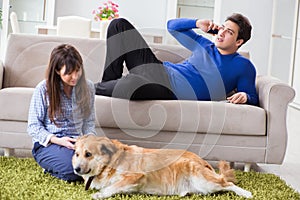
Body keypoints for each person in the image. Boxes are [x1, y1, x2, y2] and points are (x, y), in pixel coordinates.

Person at [95, 13, 258, 105]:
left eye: (229, 32)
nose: (221, 33)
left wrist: (245, 97)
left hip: (166, 89)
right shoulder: (204, 45)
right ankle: (106, 88)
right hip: (156, 68)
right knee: (119, 25)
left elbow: (252, 97)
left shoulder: (243, 66)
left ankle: (91, 89)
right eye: (222, 28)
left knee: (130, 85)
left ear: (239, 42)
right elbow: (172, 26)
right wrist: (197, 23)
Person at [27, 44, 96, 182]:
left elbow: (89, 121)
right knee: (74, 170)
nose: (75, 77)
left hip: (78, 144)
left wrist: (89, 141)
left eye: (78, 70)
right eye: (69, 73)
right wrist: (58, 140)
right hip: (50, 144)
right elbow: (33, 126)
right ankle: (50, 166)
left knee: (109, 162)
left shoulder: (88, 87)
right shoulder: (43, 89)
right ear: (58, 71)